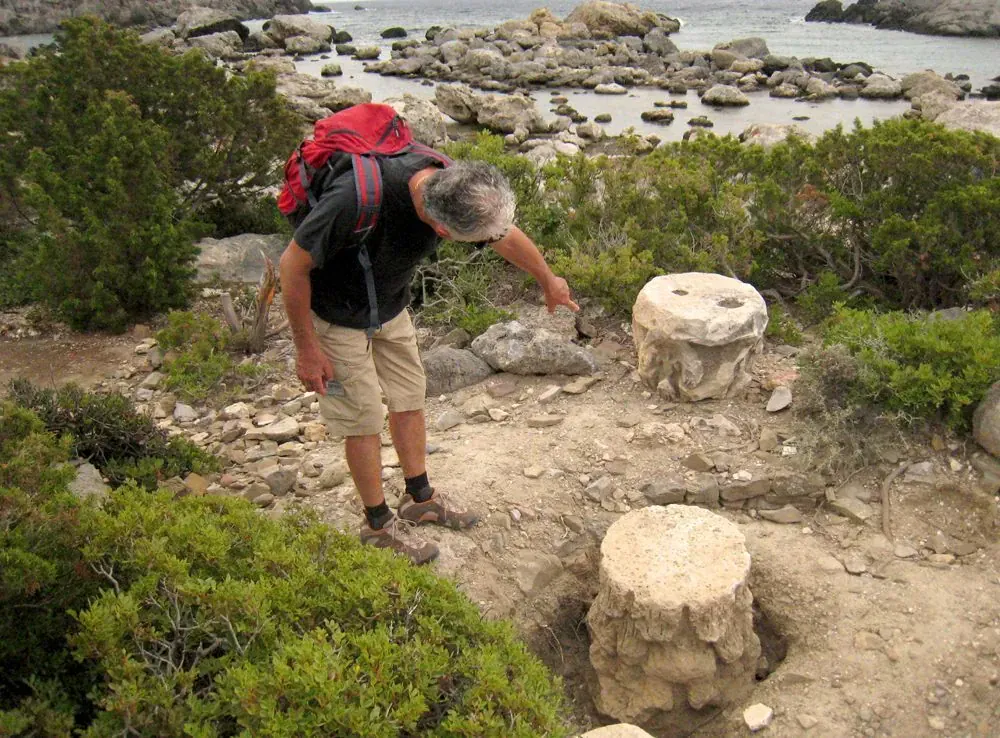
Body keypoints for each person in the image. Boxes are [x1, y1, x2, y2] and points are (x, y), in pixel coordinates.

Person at [279, 153, 578, 565]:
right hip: (335, 316)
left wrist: (548, 278)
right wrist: (306, 348)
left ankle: (420, 498)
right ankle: (378, 525)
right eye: (469, 240)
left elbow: (504, 235)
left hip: (389, 308)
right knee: (363, 417)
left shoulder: (454, 184)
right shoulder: (352, 200)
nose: (484, 243)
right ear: (440, 229)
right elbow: (291, 267)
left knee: (410, 396)